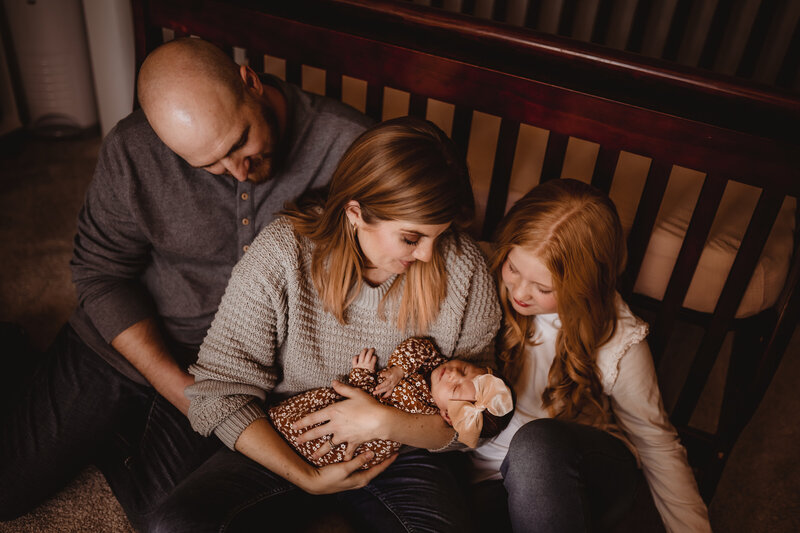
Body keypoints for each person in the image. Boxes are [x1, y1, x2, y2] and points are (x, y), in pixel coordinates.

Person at [0, 37, 372, 529]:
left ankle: (116, 431)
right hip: (121, 342)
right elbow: (99, 272)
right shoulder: (133, 149)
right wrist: (180, 390)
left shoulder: (350, 146)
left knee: (167, 519)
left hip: (233, 371)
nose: (238, 170)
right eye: (210, 164)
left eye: (240, 142)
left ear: (251, 82)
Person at [149, 116, 502, 532]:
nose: (427, 255)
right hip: (290, 432)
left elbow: (478, 419)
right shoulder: (282, 254)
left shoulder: (464, 269)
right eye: (411, 238)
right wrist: (306, 477)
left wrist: (384, 422)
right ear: (356, 213)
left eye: (438, 236)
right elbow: (219, 392)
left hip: (402, 450)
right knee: (175, 525)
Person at [469, 179, 712, 532]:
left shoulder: (618, 337)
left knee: (535, 443)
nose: (520, 291)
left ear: (584, 285)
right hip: (489, 478)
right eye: (513, 268)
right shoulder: (480, 274)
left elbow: (657, 442)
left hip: (576, 469)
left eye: (544, 288)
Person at [270, 337, 514, 468]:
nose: (452, 374)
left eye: (457, 387)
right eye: (463, 368)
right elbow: (419, 347)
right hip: (345, 419)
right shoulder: (431, 367)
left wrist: (362, 374)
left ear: (448, 416)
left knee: (303, 428)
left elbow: (366, 405)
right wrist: (399, 369)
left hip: (348, 438)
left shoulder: (417, 407)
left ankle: (281, 441)